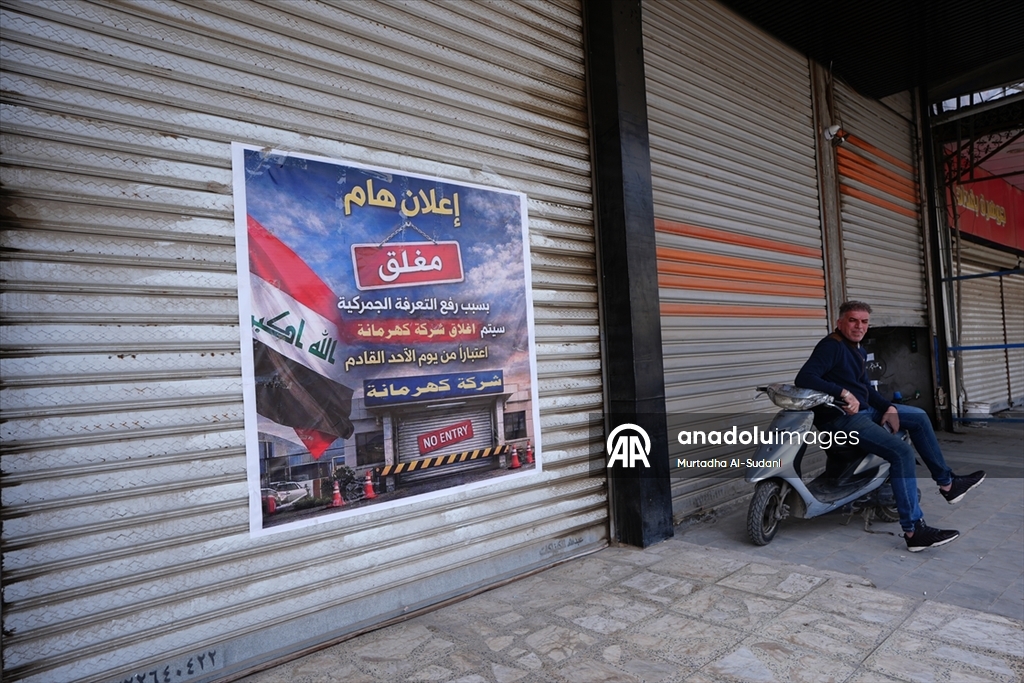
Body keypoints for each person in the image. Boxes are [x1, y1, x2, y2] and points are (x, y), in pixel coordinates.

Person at [795, 300, 985, 551]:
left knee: (919, 417)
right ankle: (913, 531)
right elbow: (804, 377)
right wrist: (843, 393)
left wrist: (888, 407)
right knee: (901, 453)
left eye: (864, 322)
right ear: (839, 322)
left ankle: (947, 484)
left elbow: (865, 389)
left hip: (864, 410)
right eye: (853, 320)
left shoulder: (857, 349)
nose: (859, 326)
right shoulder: (831, 346)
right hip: (840, 418)